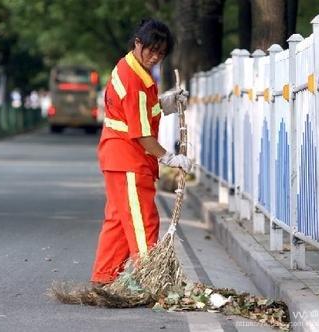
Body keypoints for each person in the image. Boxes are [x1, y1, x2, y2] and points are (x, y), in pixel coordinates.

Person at [90, 18, 191, 285]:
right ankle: (152, 280)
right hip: (128, 159)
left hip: (117, 157)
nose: (155, 57)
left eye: (161, 53)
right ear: (138, 43)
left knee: (119, 220)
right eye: (151, 50)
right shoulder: (134, 80)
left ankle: (104, 278)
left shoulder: (129, 68)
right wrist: (168, 157)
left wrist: (166, 103)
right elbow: (141, 132)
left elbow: (142, 110)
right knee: (142, 220)